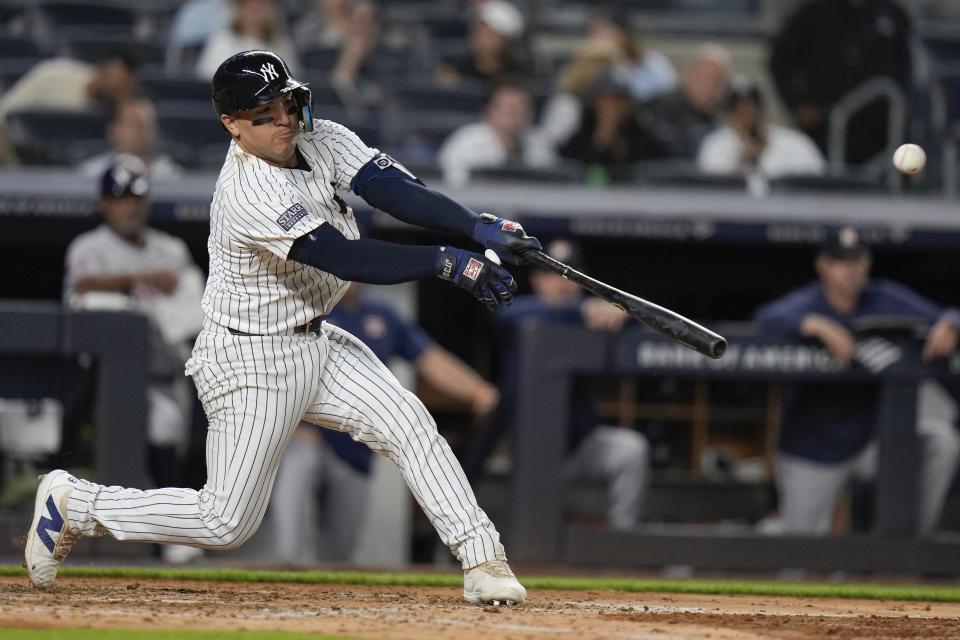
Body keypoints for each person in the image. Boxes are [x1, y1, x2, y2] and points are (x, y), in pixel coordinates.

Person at [26, 50, 538, 605]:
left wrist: (473, 226)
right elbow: (345, 258)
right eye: (263, 112)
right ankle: (75, 504)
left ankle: (483, 559)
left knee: (409, 422)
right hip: (250, 358)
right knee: (225, 523)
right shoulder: (250, 191)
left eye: (287, 102)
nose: (283, 118)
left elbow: (392, 190)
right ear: (232, 124)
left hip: (316, 339)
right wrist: (448, 260)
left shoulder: (321, 138)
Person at [270, 283, 499, 564]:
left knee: (338, 556)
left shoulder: (383, 315)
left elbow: (430, 359)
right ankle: (289, 561)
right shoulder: (303, 310)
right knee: (299, 460)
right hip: (311, 436)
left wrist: (477, 391)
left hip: (356, 448)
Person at [754, 226, 960, 536]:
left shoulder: (883, 296)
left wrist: (951, 324)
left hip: (873, 441)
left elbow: (946, 314)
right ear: (823, 266)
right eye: (840, 261)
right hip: (813, 444)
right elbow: (765, 319)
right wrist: (813, 324)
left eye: (857, 260)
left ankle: (910, 546)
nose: (850, 269)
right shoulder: (807, 302)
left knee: (940, 442)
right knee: (798, 553)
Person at [63, 154, 205, 564]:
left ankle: (166, 539)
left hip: (166, 371)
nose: (130, 206)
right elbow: (81, 290)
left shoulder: (170, 248)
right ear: (105, 203)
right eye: (121, 198)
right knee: (144, 451)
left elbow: (193, 309)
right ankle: (161, 540)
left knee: (168, 454)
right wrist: (139, 280)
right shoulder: (89, 247)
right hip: (107, 379)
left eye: (136, 197)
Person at [494, 239, 650, 530]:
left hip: (579, 445)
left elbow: (638, 324)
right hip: (531, 449)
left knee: (631, 450)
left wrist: (621, 314)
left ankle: (621, 541)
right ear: (537, 280)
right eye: (553, 274)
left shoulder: (594, 318)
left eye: (570, 274)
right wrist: (584, 310)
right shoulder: (524, 314)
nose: (562, 283)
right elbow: (508, 315)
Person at [769, 0, 913, 166]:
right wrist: (797, 105)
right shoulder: (814, 13)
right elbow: (780, 61)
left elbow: (908, 71)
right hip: (827, 124)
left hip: (881, 128)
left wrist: (906, 110)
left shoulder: (892, 15)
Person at [697, 76, 825, 179]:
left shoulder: (796, 143)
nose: (748, 116)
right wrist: (742, 161)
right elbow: (711, 194)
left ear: (764, 111)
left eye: (753, 108)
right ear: (729, 116)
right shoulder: (715, 145)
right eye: (740, 111)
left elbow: (817, 185)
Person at [558, 71, 667, 184]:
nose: (613, 107)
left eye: (619, 100)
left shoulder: (645, 139)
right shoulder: (580, 139)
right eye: (606, 100)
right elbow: (571, 169)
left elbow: (658, 168)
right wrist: (601, 141)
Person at [437, 82, 556, 186]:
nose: (519, 114)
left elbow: (551, 186)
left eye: (524, 107)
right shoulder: (466, 141)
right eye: (512, 109)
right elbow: (455, 188)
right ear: (489, 112)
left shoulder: (539, 142)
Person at [648, 43, 732, 160]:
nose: (710, 87)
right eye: (705, 78)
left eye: (718, 82)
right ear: (688, 76)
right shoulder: (661, 106)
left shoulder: (727, 114)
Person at [77, 97, 186, 181]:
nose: (142, 131)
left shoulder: (173, 176)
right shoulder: (92, 173)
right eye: (134, 124)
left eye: (147, 125)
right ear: (113, 130)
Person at [434, 0, 529, 89]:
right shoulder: (457, 71)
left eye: (487, 33)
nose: (477, 36)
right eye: (476, 29)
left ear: (504, 40)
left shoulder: (520, 77)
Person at [195, 0, 300, 79]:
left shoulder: (282, 45)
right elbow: (208, 81)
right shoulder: (221, 42)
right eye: (248, 7)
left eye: (261, 6)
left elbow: (291, 84)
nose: (254, 13)